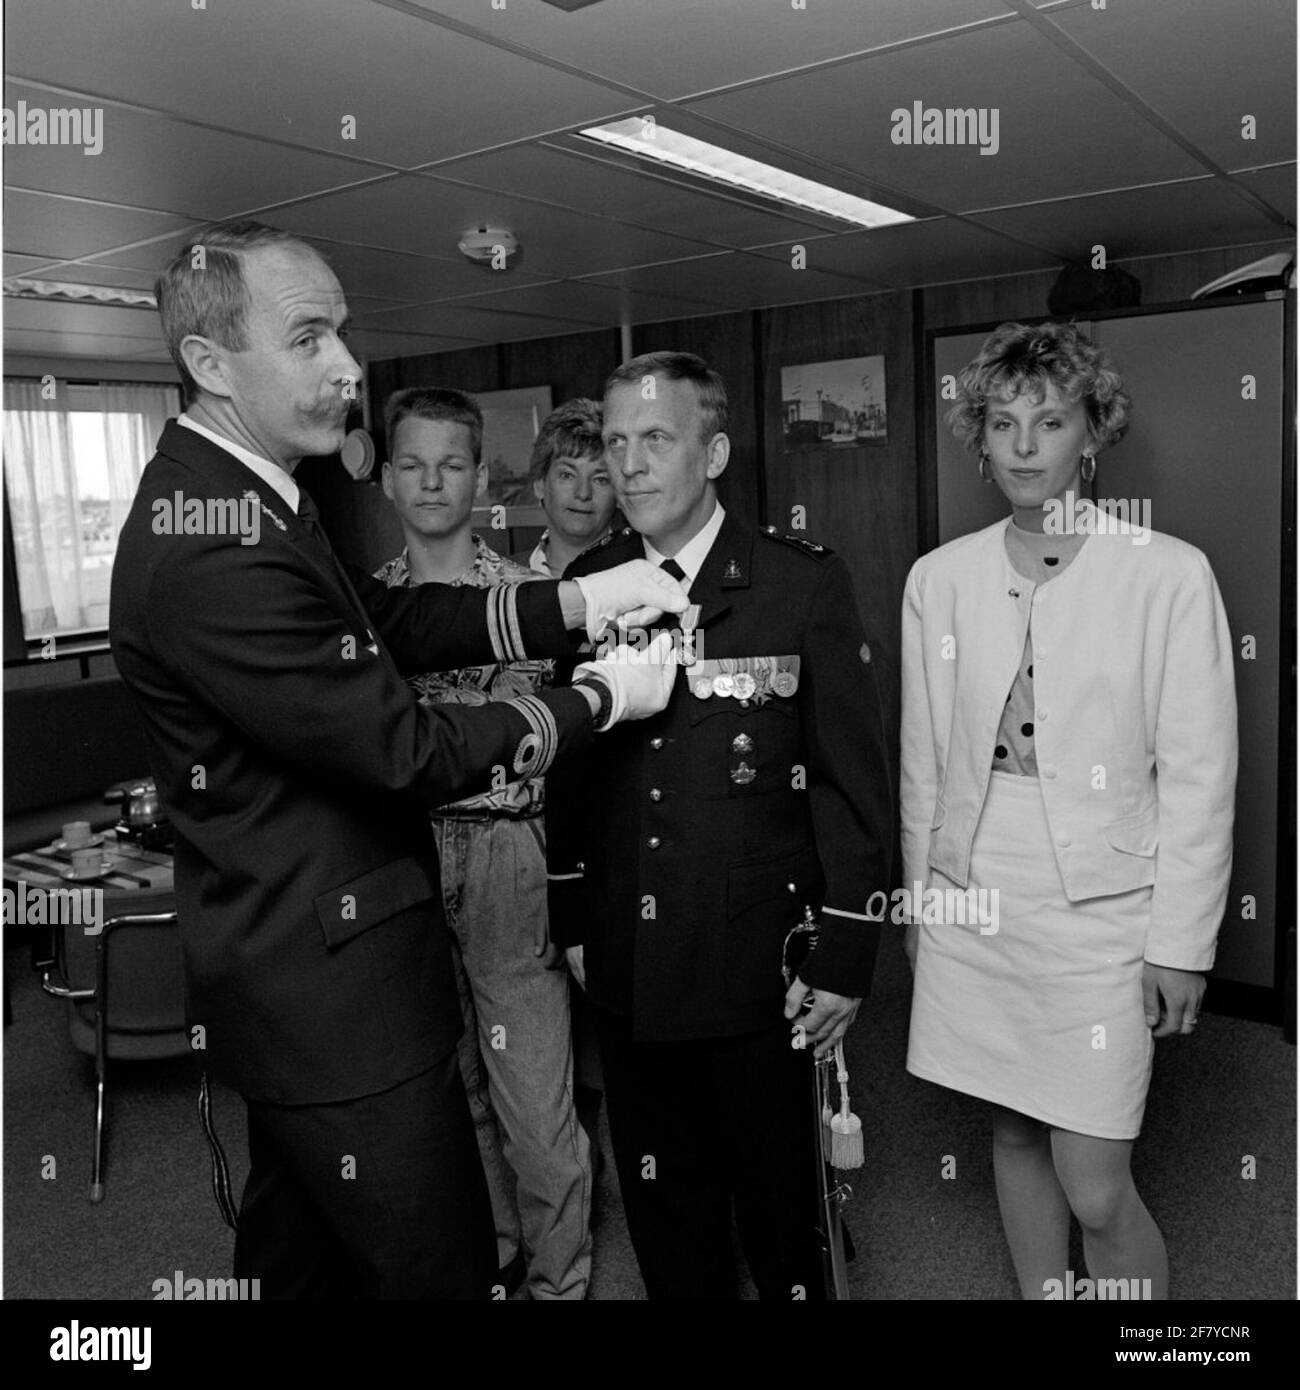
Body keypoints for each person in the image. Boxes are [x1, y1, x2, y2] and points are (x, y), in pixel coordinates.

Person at [109, 221, 684, 1299]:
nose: (348, 367)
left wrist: (576, 601)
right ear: (209, 363)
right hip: (337, 1011)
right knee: (437, 1267)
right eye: (311, 338)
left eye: (344, 333)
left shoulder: (261, 494)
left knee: (303, 1262)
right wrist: (600, 695)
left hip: (306, 994)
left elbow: (395, 623)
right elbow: (404, 747)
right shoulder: (213, 546)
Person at [545, 351, 894, 1300]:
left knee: (781, 1216)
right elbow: (570, 774)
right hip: (630, 965)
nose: (630, 465)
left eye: (655, 438)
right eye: (616, 442)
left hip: (758, 967)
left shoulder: (797, 584)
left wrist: (848, 952)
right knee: (668, 1212)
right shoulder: (590, 587)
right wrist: (572, 916)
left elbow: (850, 782)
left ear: (716, 451)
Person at [901, 320, 1237, 1300]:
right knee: (1009, 1125)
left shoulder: (1166, 573)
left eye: (1047, 421)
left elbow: (1198, 776)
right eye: (1000, 422)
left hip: (1103, 905)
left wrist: (1181, 942)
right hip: (979, 890)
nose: (1020, 444)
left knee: (1094, 1180)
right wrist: (927, 905)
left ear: (1091, 435)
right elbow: (924, 762)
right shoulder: (940, 579)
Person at [375, 385, 590, 1300]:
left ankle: (560, 1282)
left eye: (452, 464)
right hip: (402, 860)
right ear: (386, 479)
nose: (432, 483)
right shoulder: (359, 610)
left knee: (535, 1106)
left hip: (508, 854)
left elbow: (571, 745)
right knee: (445, 1085)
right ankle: (496, 1257)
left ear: (483, 479)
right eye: (413, 464)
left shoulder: (531, 600)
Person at [518, 397, 619, 577]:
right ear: (539, 483)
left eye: (601, 479)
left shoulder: (650, 577)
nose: (583, 493)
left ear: (619, 493)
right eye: (567, 475)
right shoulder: (498, 580)